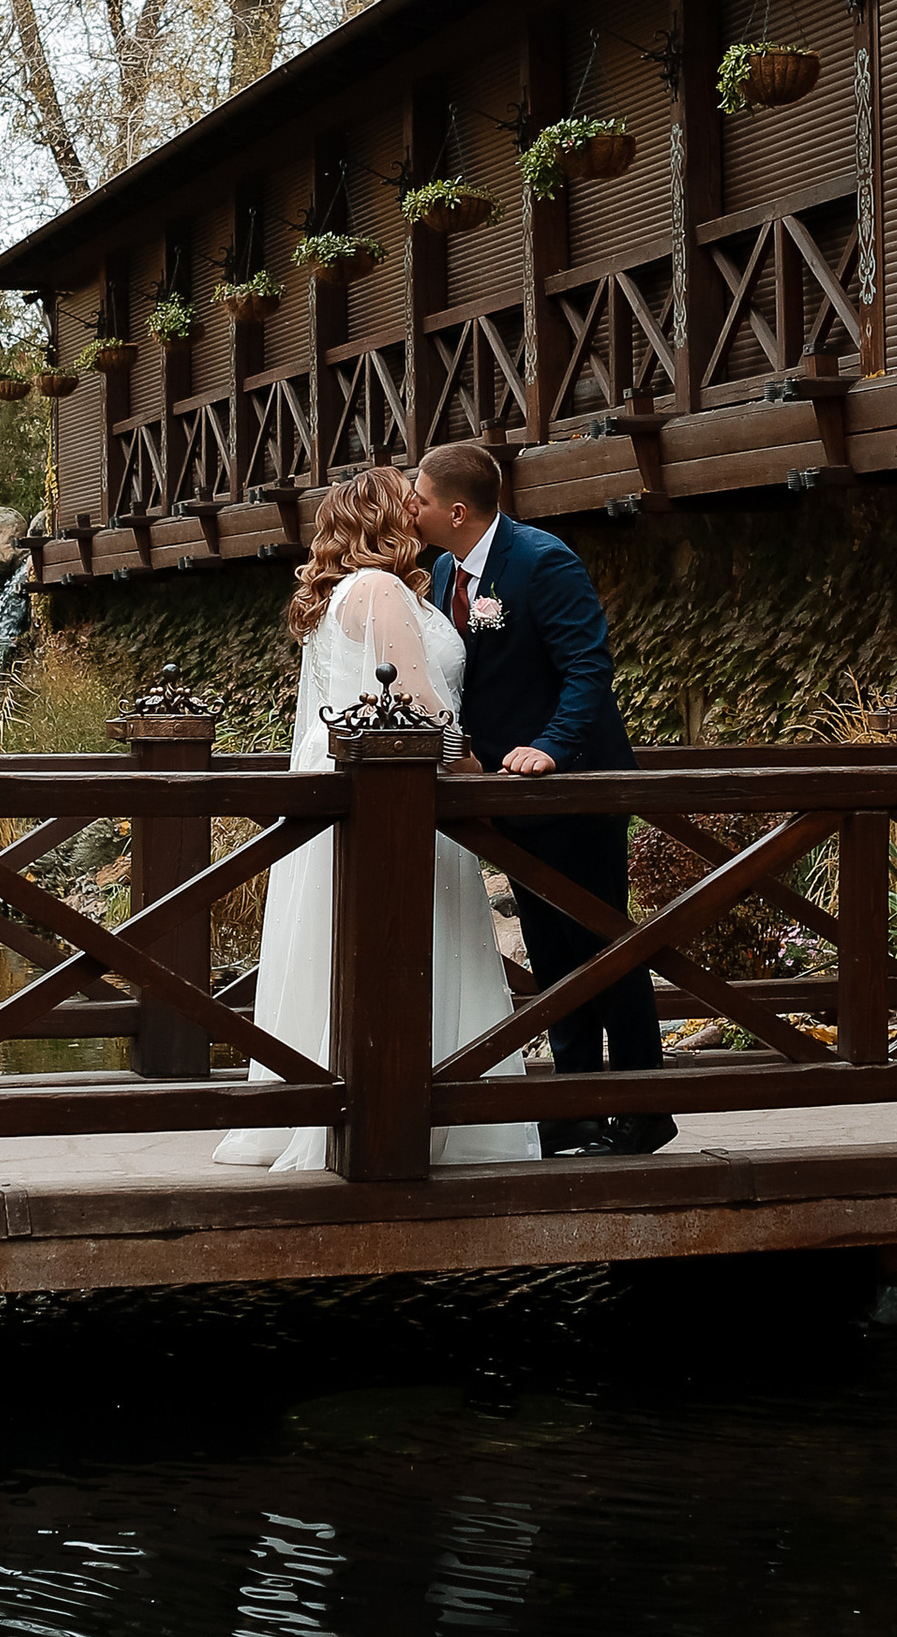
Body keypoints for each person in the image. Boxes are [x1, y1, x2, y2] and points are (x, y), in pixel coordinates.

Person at [213, 464, 540, 1174]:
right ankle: (416, 1112)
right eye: (408, 502)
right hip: (401, 805)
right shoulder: (382, 589)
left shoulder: (342, 596)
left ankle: (337, 1102)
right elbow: (419, 706)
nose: (420, 511)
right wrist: (473, 768)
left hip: (363, 801)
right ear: (386, 520)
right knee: (411, 943)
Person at [407, 442, 675, 1159]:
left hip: (572, 785)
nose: (412, 507)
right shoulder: (441, 571)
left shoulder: (542, 560)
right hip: (507, 792)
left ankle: (646, 1105)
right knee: (554, 954)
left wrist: (551, 747)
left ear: (456, 510)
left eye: (420, 498)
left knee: (604, 944)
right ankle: (572, 1107)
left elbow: (588, 667)